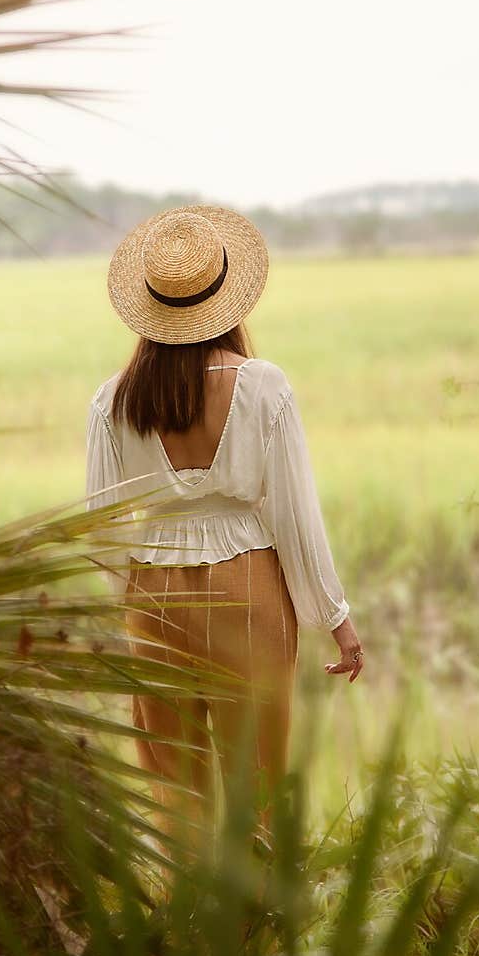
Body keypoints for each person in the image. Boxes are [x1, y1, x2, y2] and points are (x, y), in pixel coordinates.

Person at [86, 205, 363, 843]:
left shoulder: (113, 399)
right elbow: (296, 519)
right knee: (258, 778)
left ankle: (185, 926)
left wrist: (129, 603)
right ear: (228, 298)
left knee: (173, 789)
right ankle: (258, 925)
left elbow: (100, 533)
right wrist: (336, 619)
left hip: (151, 600)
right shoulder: (264, 387)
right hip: (249, 592)